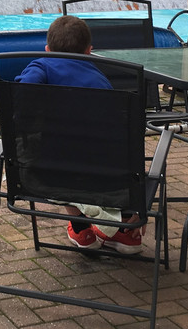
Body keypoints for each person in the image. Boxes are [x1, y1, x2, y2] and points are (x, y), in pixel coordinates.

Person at [15, 14, 143, 254]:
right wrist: (137, 208)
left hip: (47, 176)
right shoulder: (101, 82)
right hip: (106, 179)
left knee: (54, 150)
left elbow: (21, 101)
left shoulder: (41, 66)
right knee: (95, 153)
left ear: (47, 49)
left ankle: (81, 229)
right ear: (89, 51)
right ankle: (125, 230)